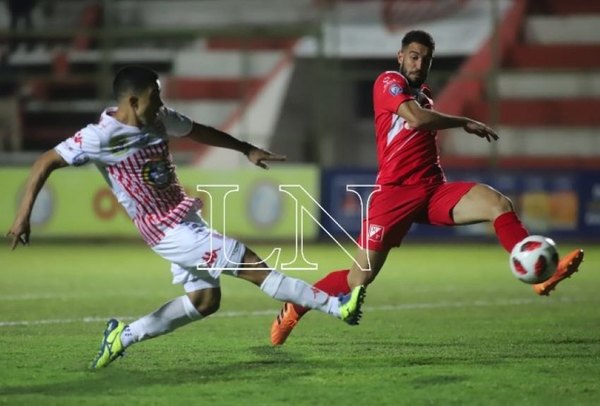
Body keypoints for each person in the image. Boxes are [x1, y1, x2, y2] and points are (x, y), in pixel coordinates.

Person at [6, 65, 366, 368]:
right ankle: (336, 307)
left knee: (206, 302)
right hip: (164, 231)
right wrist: (23, 216)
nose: (160, 103)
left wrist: (245, 149)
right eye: (154, 97)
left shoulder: (159, 118)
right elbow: (44, 162)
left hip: (186, 219)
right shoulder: (99, 137)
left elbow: (198, 131)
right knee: (248, 261)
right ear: (132, 101)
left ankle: (122, 336)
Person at [270, 30, 585, 346]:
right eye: (414, 56)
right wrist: (463, 121)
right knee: (359, 278)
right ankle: (294, 307)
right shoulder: (388, 82)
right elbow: (418, 120)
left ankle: (542, 274)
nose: (419, 63)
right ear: (401, 56)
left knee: (497, 203)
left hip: (433, 189)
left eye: (425, 59)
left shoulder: (425, 95)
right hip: (393, 194)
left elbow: (422, 120)